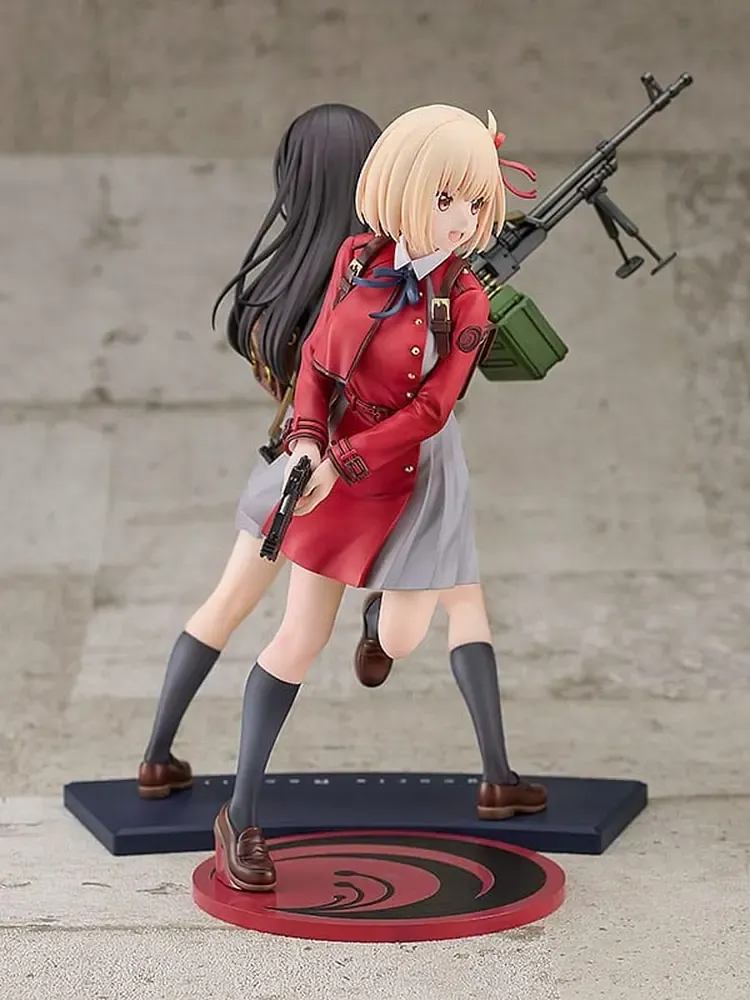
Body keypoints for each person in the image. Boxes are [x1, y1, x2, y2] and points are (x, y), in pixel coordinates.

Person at [213, 103, 548, 894]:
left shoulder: (467, 301)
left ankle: (380, 622)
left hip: (408, 476)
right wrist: (306, 439)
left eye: (476, 202)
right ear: (400, 186)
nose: (460, 220)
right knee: (298, 637)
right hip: (332, 463)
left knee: (400, 638)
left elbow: (431, 411)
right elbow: (317, 361)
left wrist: (346, 461)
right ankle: (241, 815)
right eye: (444, 199)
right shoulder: (357, 258)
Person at [137, 103, 382, 798]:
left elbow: (284, 381)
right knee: (303, 636)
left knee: (225, 605)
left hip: (280, 467)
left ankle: (155, 757)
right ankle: (242, 807)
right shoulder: (372, 284)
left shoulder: (273, 290)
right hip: (342, 480)